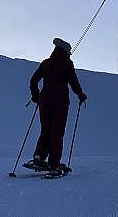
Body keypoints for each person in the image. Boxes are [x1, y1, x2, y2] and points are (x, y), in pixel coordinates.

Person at [27, 38, 87, 174]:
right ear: (66, 52)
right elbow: (73, 82)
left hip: (44, 100)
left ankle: (39, 157)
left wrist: (36, 96)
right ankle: (54, 164)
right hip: (60, 101)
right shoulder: (67, 64)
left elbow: (33, 81)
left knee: (46, 130)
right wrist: (80, 94)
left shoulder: (46, 63)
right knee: (57, 132)